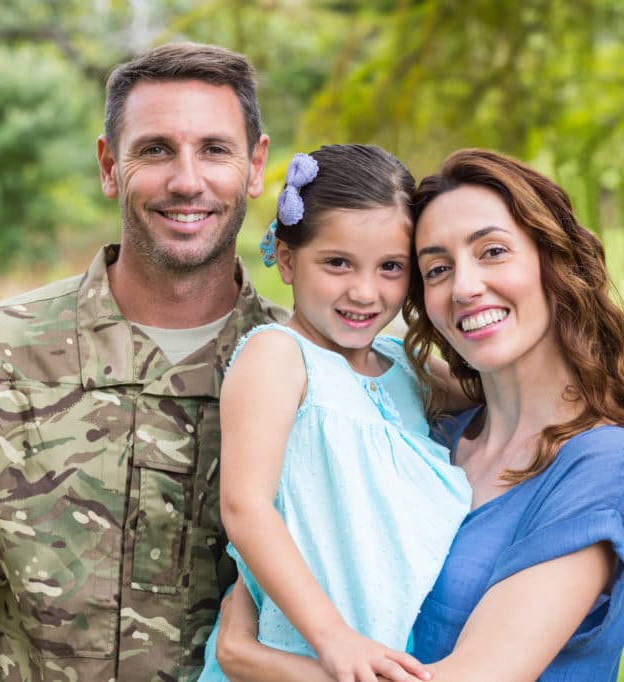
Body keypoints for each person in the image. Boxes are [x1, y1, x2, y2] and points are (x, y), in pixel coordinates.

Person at [0, 42, 624, 680]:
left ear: (254, 169)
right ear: (109, 166)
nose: (186, 179)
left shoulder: (357, 373)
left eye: (213, 150)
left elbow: (543, 449)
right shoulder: (0, 354)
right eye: (154, 150)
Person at [214, 148, 624, 682]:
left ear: (553, 260)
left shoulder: (602, 464)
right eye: (438, 268)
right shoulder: (435, 432)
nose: (464, 287)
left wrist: (253, 662)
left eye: (492, 251)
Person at [199, 145, 473, 682]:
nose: (364, 292)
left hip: (386, 650)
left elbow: (517, 408)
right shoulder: (278, 356)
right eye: (338, 262)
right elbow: (246, 506)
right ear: (285, 256)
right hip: (298, 650)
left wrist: (611, 523)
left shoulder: (405, 364)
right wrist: (334, 638)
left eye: (390, 267)